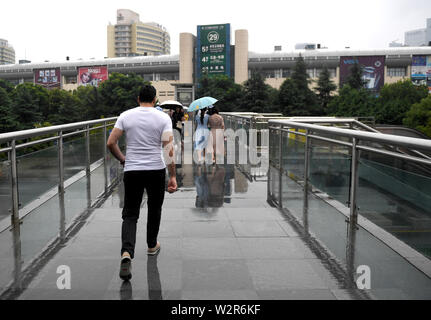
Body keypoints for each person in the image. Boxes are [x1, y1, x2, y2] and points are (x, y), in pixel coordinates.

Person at [107, 84, 177, 281]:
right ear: (155, 100)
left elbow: (111, 143)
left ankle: (126, 252)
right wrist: (172, 176)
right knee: (154, 209)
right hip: (155, 170)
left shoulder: (125, 116)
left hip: (133, 171)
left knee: (130, 214)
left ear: (138, 98)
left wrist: (123, 159)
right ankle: (152, 245)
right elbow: (169, 149)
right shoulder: (163, 117)